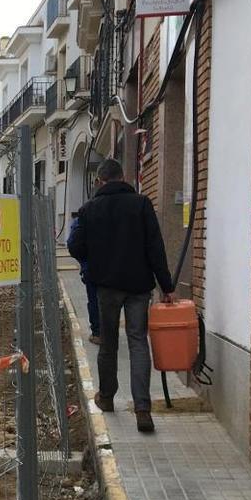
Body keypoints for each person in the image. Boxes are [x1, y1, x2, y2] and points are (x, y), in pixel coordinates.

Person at [67, 159, 175, 433]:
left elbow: (75, 246)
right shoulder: (141, 204)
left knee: (109, 343)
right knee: (139, 342)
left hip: (106, 286)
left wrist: (94, 259)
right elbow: (155, 246)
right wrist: (167, 285)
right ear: (123, 177)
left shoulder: (90, 209)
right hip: (139, 286)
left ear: (100, 181)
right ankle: (142, 409)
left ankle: (106, 397)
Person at [66, 211, 101, 345]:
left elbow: (73, 244)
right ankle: (108, 332)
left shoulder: (84, 217)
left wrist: (84, 261)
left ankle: (98, 333)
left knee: (94, 300)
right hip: (114, 267)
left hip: (91, 268)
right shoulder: (116, 214)